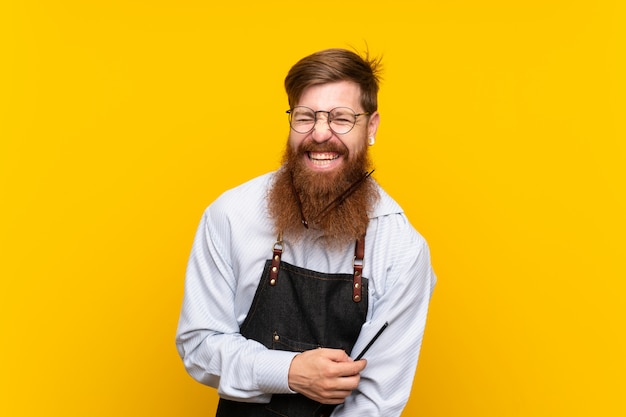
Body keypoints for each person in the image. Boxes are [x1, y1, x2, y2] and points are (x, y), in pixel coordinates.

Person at [176, 48, 436, 417]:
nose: (320, 133)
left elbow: (377, 403)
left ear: (372, 126)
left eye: (341, 118)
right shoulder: (231, 215)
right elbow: (199, 344)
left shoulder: (402, 249)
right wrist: (290, 371)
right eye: (305, 117)